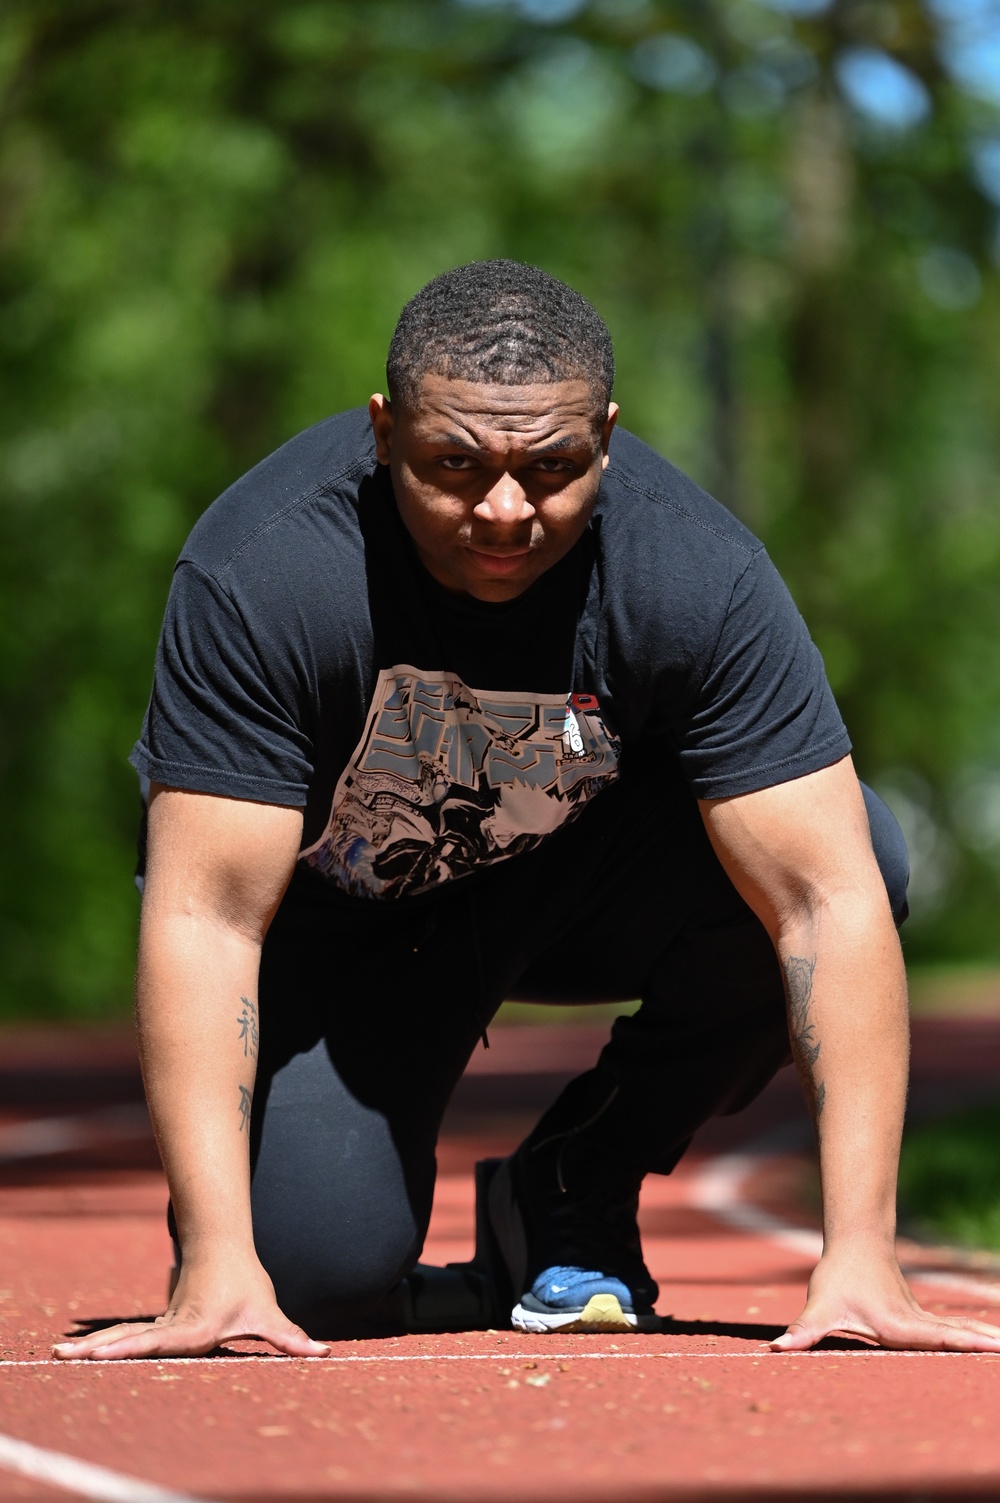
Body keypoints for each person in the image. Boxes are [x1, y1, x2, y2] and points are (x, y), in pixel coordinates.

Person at [55, 260, 1000, 1361]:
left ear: (604, 433)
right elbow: (204, 917)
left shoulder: (694, 574)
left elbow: (825, 901)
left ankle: (575, 1176)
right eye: (453, 465)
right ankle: (310, 1250)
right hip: (342, 940)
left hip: (570, 892)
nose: (504, 513)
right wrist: (215, 1264)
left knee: (862, 854)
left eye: (552, 469)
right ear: (383, 431)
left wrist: (859, 1257)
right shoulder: (265, 573)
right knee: (310, 1278)